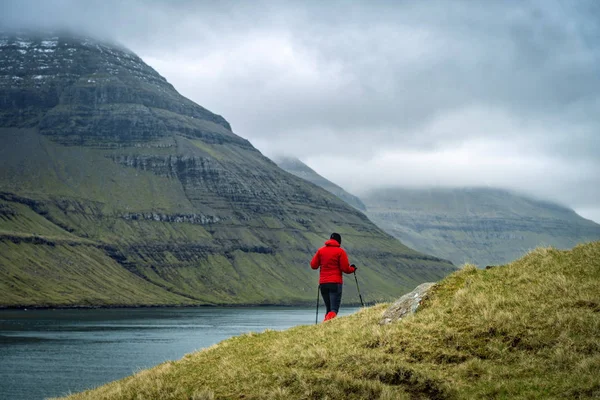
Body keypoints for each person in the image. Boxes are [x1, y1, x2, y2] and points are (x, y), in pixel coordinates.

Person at [310, 232, 357, 321]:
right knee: (334, 309)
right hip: (335, 283)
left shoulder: (321, 251)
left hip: (323, 284)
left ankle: (325, 328)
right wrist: (352, 269)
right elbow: (345, 269)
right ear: (339, 241)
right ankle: (326, 323)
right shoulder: (340, 252)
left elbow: (313, 265)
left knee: (328, 309)